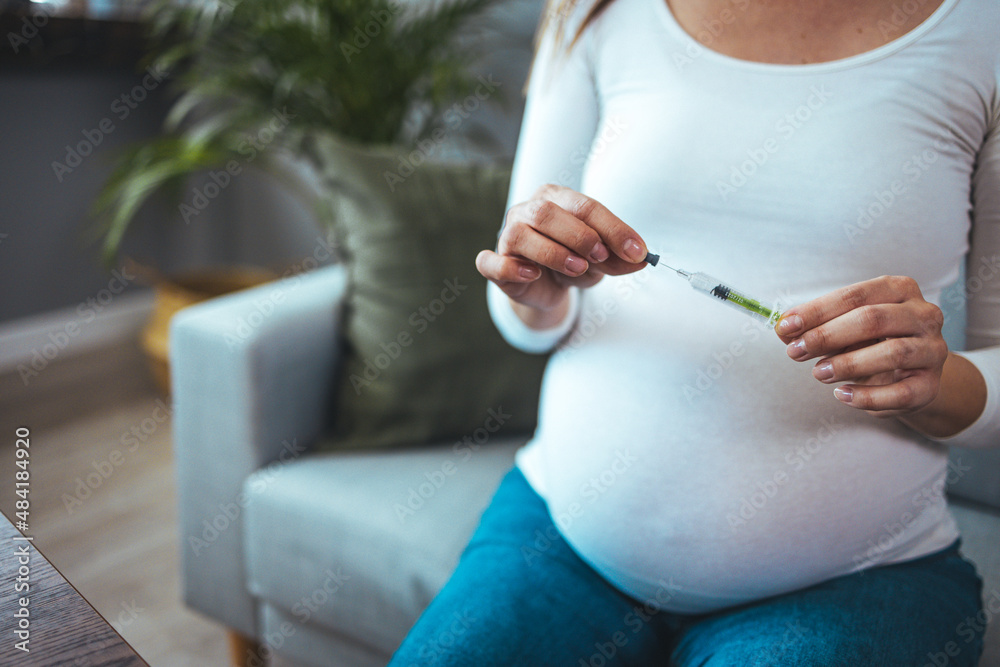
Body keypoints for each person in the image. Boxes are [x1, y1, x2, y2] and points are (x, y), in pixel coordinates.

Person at [389, 0, 1000, 663]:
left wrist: (935, 381)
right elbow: (524, 313)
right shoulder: (596, 12)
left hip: (852, 580)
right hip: (561, 538)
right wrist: (534, 291)